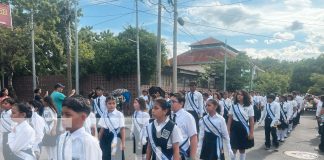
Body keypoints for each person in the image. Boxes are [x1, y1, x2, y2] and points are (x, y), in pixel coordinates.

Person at [227, 90, 254, 160]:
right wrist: (228, 130)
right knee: (233, 148)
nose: (239, 96)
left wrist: (251, 132)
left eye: (241, 95)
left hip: (244, 129)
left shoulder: (249, 106)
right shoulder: (233, 105)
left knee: (242, 149)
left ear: (245, 96)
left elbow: (251, 120)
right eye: (238, 94)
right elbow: (230, 118)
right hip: (234, 128)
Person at [170, 93, 198, 160]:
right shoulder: (168, 115)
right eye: (170, 101)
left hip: (181, 152)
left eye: (173, 102)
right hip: (168, 152)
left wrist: (192, 158)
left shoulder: (188, 117)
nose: (171, 103)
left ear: (181, 103)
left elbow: (193, 137)